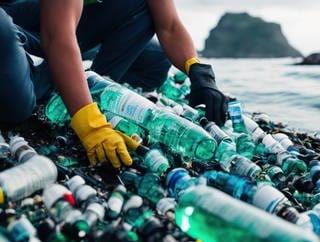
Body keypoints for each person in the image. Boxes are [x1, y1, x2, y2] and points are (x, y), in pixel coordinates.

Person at [0, 0, 227, 168]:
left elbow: (169, 26)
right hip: (16, 19)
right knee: (18, 104)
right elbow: (56, 36)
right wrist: (90, 125)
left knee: (155, 61)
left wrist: (197, 70)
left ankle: (88, 85)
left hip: (61, 24)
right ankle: (60, 82)